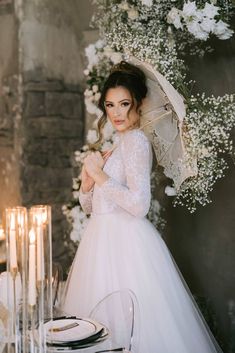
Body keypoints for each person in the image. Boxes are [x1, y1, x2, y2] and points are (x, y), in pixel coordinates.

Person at [62, 62, 223, 353]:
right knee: (99, 327)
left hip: (126, 246)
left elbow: (139, 205)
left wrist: (99, 175)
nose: (117, 112)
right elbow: (92, 207)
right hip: (99, 242)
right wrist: (87, 182)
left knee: (128, 329)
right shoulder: (118, 144)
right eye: (110, 105)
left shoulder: (136, 141)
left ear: (138, 103)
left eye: (124, 104)